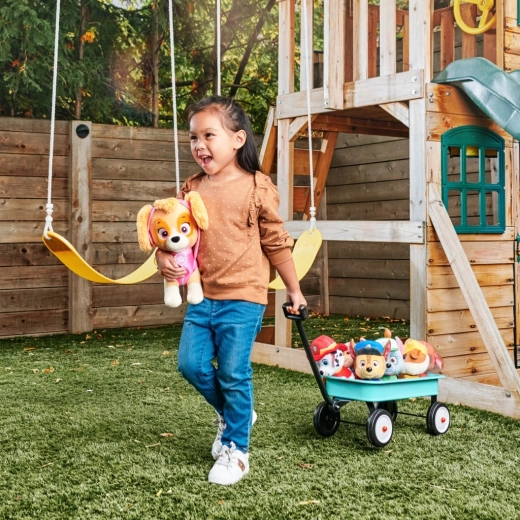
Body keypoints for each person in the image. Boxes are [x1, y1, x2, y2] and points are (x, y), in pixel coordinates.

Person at [156, 95, 306, 486]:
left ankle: (237, 450)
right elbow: (173, 237)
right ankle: (235, 414)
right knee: (190, 365)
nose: (199, 145)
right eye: (193, 137)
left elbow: (276, 242)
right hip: (202, 296)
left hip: (244, 297)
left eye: (209, 135)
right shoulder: (191, 189)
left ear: (238, 139)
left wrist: (294, 290)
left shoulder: (257, 187)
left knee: (233, 373)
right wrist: (162, 258)